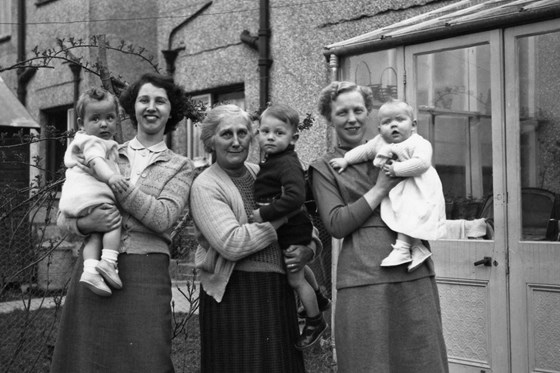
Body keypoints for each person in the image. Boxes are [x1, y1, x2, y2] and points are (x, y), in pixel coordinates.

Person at [51, 73, 194, 373]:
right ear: (133, 108)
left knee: (147, 360)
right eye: (144, 100)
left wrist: (117, 186)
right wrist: (88, 221)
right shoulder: (106, 150)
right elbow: (65, 216)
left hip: (146, 271)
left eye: (160, 101)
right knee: (88, 360)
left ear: (172, 110)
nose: (151, 107)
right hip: (94, 272)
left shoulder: (180, 166)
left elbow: (162, 217)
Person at [310, 81, 448, 372]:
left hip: (413, 271)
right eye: (341, 112)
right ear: (329, 118)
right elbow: (337, 224)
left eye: (358, 110)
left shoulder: (396, 149)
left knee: (423, 362)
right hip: (363, 279)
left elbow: (425, 197)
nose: (352, 119)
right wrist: (381, 188)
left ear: (369, 113)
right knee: (369, 364)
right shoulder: (325, 167)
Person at [190, 104, 321, 372]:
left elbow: (303, 217)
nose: (236, 142)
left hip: (276, 290)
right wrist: (282, 218)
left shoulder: (261, 172)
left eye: (242, 133)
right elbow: (233, 243)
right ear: (210, 141)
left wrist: (309, 246)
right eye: (227, 134)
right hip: (233, 293)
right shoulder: (205, 185)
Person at [329, 99, 446, 271]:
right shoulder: (380, 141)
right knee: (399, 211)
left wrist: (397, 169)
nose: (393, 125)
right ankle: (417, 248)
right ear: (379, 129)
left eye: (399, 120)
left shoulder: (418, 143)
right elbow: (365, 151)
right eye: (386, 122)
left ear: (413, 125)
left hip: (420, 188)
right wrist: (346, 159)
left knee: (410, 211)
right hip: (399, 187)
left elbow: (422, 163)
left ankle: (403, 248)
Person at [251, 104, 329, 350]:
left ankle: (315, 322)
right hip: (291, 227)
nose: (270, 137)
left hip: (292, 228)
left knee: (295, 278)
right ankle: (317, 296)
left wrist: (264, 213)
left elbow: (296, 197)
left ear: (294, 137)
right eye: (265, 132)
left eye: (278, 132)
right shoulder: (275, 159)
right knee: (298, 266)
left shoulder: (286, 163)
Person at [58, 88, 128, 296]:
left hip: (75, 202)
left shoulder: (84, 141)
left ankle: (89, 271)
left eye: (109, 118)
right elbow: (96, 161)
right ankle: (108, 262)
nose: (104, 124)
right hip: (90, 197)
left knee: (94, 235)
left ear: (117, 119)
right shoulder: (92, 142)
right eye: (95, 119)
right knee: (113, 221)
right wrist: (111, 177)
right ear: (81, 123)